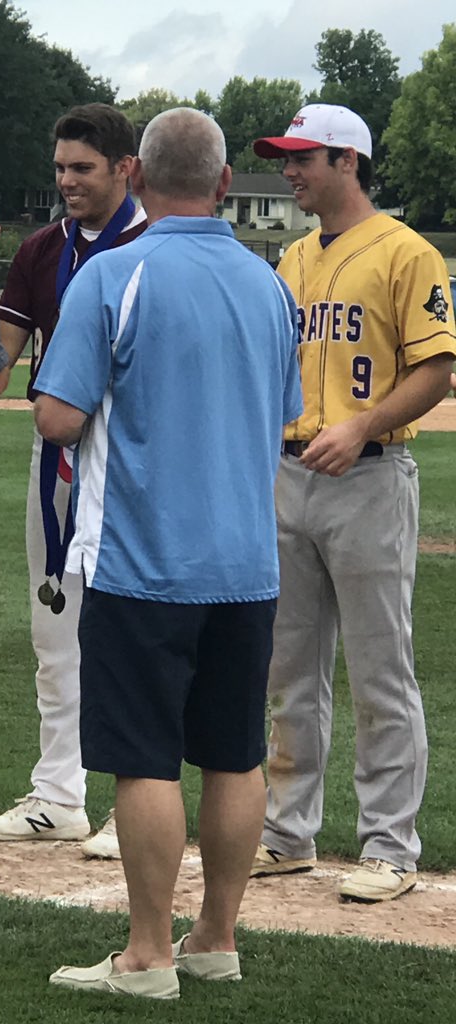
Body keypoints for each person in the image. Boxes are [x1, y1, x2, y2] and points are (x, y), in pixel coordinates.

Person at [34, 107, 302, 999]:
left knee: (142, 755)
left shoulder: (115, 273)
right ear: (225, 184)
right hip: (247, 562)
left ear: (138, 179)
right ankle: (215, 937)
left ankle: (148, 952)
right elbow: (284, 409)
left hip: (143, 559)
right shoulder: (271, 287)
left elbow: (59, 416)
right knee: (234, 753)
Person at [249, 104, 456, 902]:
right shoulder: (292, 258)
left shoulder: (409, 253)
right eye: (286, 157)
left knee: (381, 672)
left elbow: (437, 370)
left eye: (303, 158)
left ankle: (389, 847)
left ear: (348, 162)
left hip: (370, 476)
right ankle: (288, 833)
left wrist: (364, 423)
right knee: (288, 671)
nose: (290, 170)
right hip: (289, 473)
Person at [0, 103, 147, 858]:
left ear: (125, 169)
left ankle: (135, 803)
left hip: (137, 460)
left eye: (82, 168)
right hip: (57, 464)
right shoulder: (43, 250)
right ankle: (57, 796)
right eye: (60, 169)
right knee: (55, 632)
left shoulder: (151, 247)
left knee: (136, 634)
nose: (67, 182)